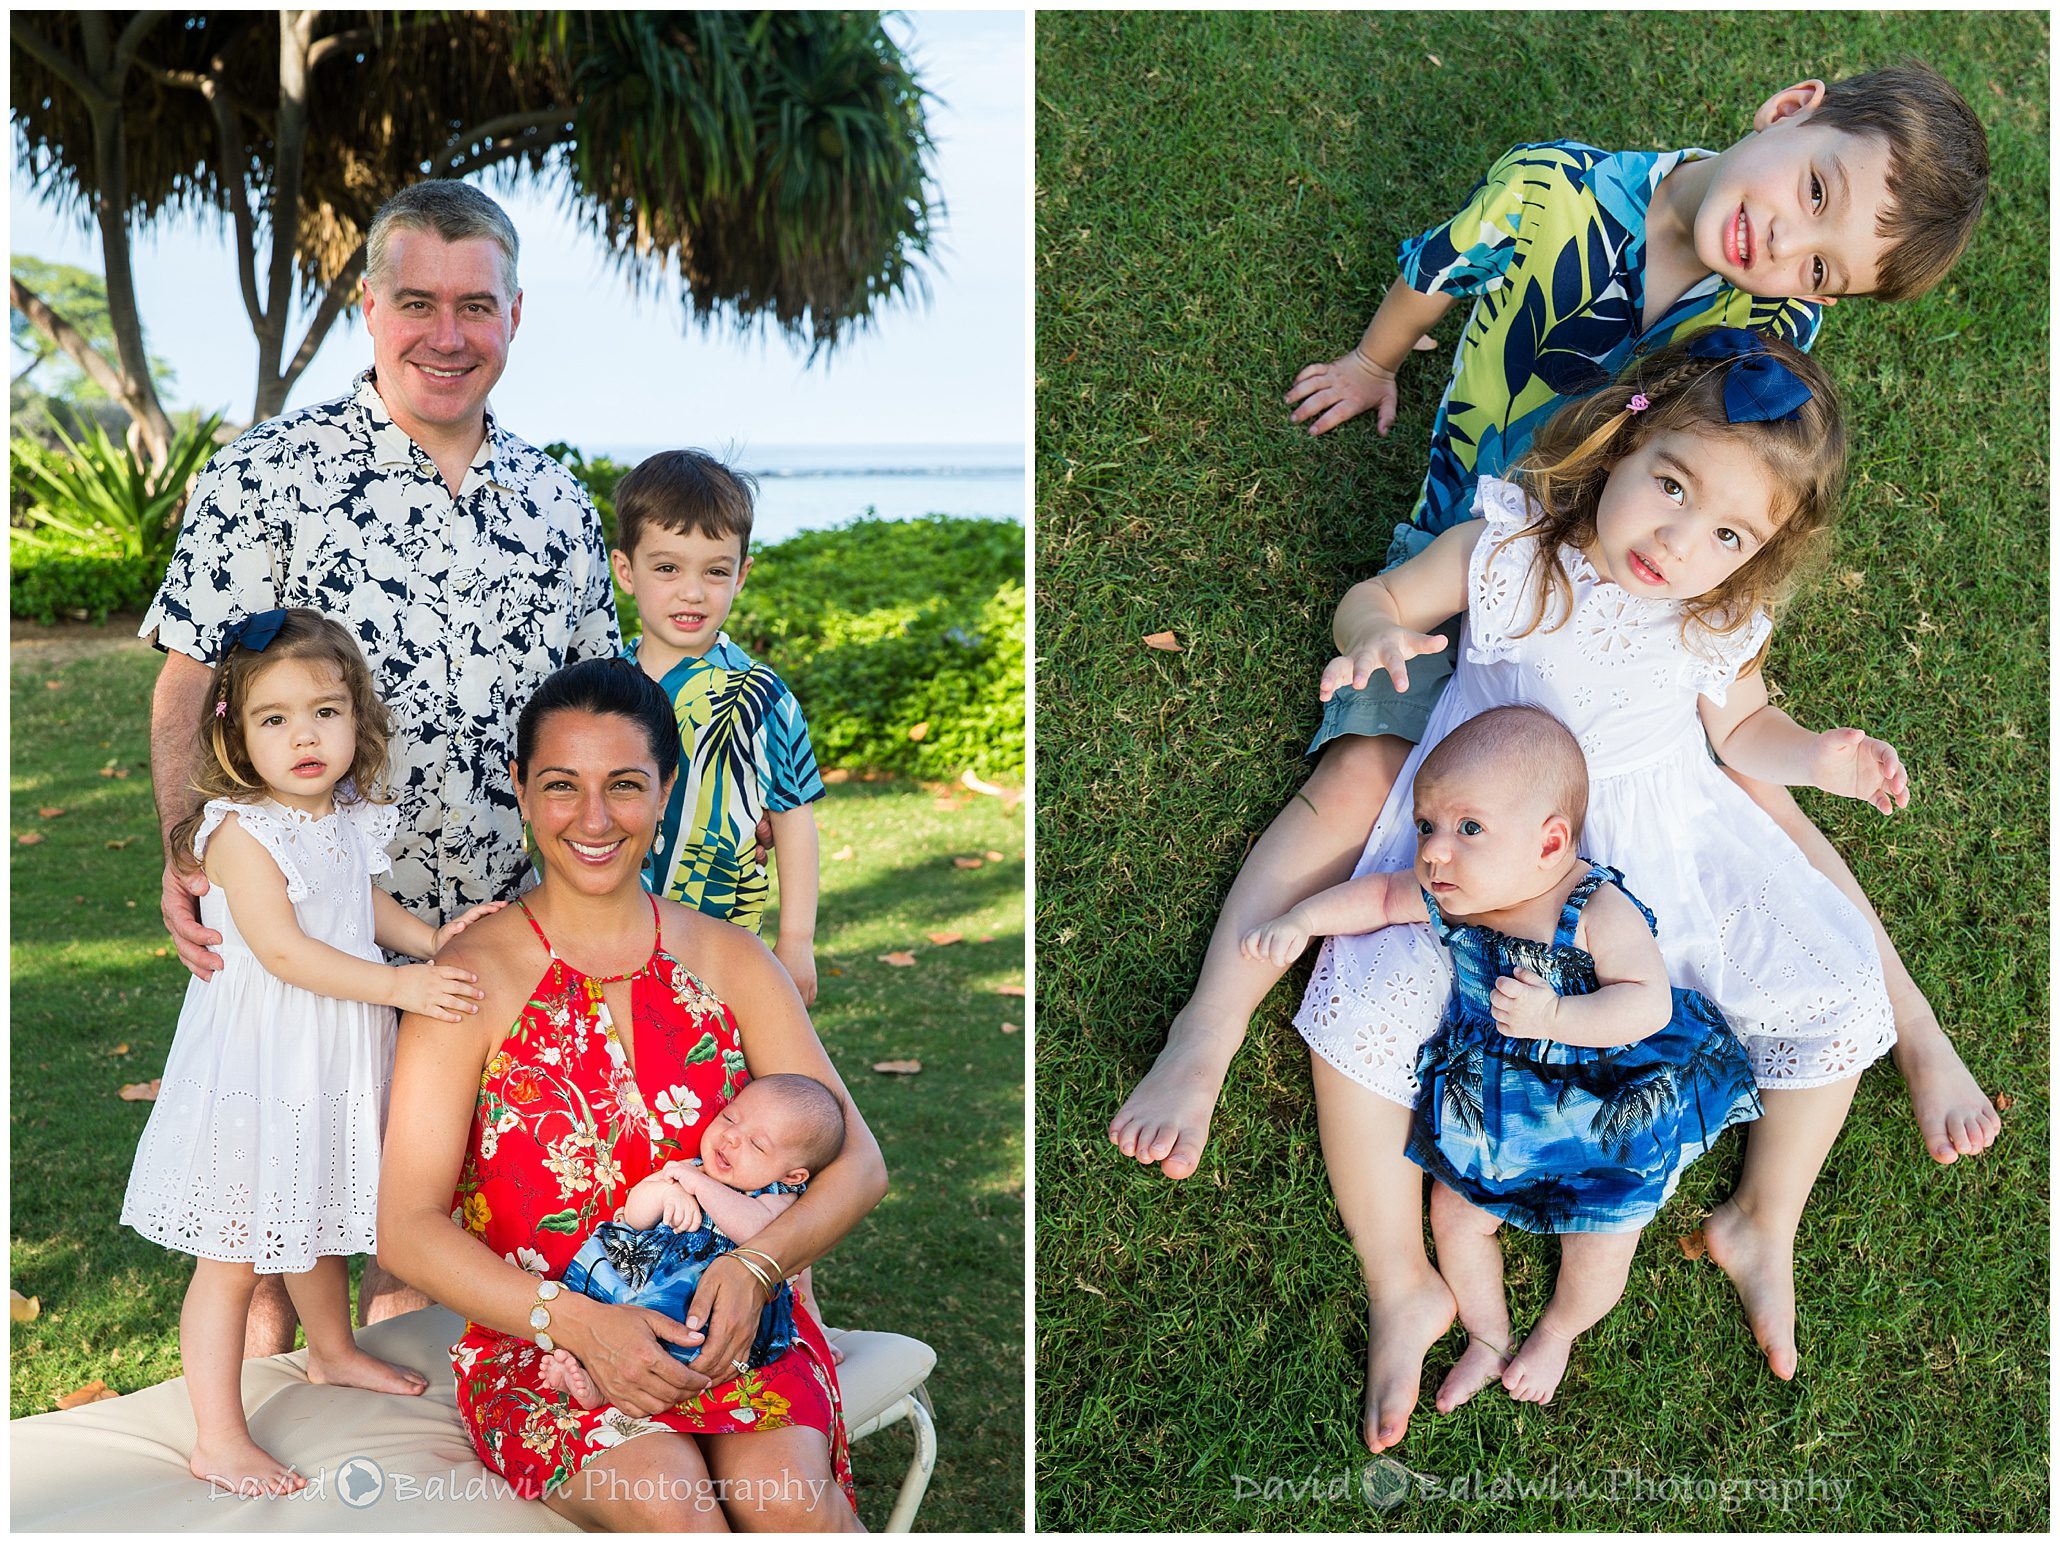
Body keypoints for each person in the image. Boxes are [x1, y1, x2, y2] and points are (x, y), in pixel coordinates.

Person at [1113, 63, 1997, 1191]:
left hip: (1644, 585)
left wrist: (1778, 689)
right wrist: (1372, 362)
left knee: (1755, 779)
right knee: (1357, 776)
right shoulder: (1554, 190)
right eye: (1814, 192)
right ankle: (1207, 1025)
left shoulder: (1774, 323)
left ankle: (1907, 1018)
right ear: (1788, 110)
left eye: (1821, 265)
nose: (1784, 249)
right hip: (1484, 566)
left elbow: (1748, 480)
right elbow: (1437, 267)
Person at [1247, 334, 1915, 1450]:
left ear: (1756, 555)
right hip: (1488, 847)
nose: (1678, 541)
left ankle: (1763, 1217)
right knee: (1360, 1013)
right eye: (1670, 486)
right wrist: (1376, 633)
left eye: (1728, 534)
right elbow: (1379, 594)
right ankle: (1401, 1276)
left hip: (1657, 846)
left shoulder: (1711, 617)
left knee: (1835, 987)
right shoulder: (1511, 550)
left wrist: (1820, 759)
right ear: (1620, 438)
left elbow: (1745, 728)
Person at [142, 179, 621, 1349]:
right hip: (305, 941)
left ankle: (395, 1443)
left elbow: (595, 716)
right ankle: (249, 1448)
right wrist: (184, 850)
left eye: (475, 306)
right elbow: (190, 681)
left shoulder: (558, 503)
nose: (445, 336)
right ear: (369, 306)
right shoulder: (268, 471)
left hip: (488, 941)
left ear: (515, 315)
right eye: (417, 303)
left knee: (429, 1238)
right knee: (272, 1245)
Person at [378, 659, 882, 1531]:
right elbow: (406, 1226)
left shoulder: (732, 958)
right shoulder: (469, 979)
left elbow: (861, 1164)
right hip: (549, 1346)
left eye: (623, 784)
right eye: (561, 785)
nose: (594, 817)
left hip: (739, 1323)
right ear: (521, 789)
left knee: (789, 1502)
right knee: (671, 1503)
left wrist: (757, 1268)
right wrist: (574, 1323)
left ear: (665, 788)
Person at [1242, 708, 1762, 1410]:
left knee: (1602, 1239)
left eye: (1468, 828)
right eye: (1426, 825)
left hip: (1606, 1100)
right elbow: (1381, 897)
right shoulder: (1462, 895)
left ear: (1550, 843)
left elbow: (1649, 1004)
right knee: (1455, 1215)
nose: (1435, 850)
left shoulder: (1594, 908)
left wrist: (1557, 1017)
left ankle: (1559, 1329)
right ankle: (1486, 1335)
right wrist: (1302, 919)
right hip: (1502, 1100)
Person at [118, 608, 503, 1497]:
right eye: (275, 717)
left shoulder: (339, 813)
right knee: (234, 1256)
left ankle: (331, 1350)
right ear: (235, 734)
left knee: (318, 1206)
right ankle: (219, 1434)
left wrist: (432, 940)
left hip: (324, 1059)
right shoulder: (239, 832)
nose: (305, 737)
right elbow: (288, 951)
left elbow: (356, 904)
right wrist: (403, 988)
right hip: (263, 1065)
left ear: (356, 716)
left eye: (326, 712)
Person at [614, 449, 826, 1004]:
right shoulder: (602, 689)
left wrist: (796, 941)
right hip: (604, 944)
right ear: (625, 571)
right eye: (667, 568)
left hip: (722, 951)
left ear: (742, 575)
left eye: (715, 571)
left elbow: (795, 821)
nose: (693, 591)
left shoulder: (762, 696)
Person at [540, 1072, 846, 1411]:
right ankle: (585, 1368)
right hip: (638, 1280)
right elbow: (635, 1215)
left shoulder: (778, 1198)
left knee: (679, 1343)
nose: (731, 1137)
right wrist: (665, 1194)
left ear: (792, 1174)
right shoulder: (692, 1168)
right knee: (609, 1316)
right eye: (730, 1117)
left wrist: (699, 1186)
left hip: (703, 1305)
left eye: (757, 1144)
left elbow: (755, 1231)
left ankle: (607, 1390)